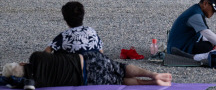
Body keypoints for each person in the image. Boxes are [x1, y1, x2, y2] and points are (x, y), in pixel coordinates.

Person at [2, 51, 172, 88]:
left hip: (86, 79)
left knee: (120, 81)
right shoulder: (36, 57)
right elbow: (59, 53)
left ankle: (151, 82)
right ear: (22, 63)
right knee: (121, 68)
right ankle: (153, 74)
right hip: (85, 60)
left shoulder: (35, 83)